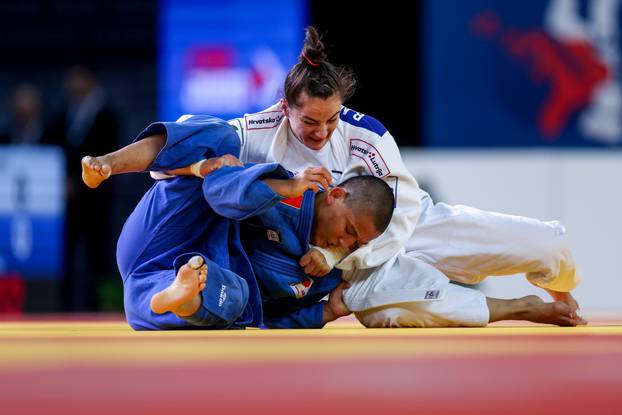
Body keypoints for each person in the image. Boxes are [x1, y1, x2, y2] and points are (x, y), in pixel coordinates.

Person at [81, 27, 586, 327]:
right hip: (348, 269)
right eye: (309, 122)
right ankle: (520, 306)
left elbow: (401, 214)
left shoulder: (367, 137)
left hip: (401, 231)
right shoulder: (258, 131)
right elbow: (200, 155)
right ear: (286, 108)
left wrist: (336, 252)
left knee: (543, 246)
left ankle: (561, 283)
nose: (322, 132)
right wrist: (195, 166)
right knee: (395, 309)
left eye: (331, 119)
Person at [115, 115, 394, 330]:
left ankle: (180, 297)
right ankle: (111, 163)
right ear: (335, 195)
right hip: (172, 229)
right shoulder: (289, 185)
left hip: (190, 274)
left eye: (357, 243)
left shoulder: (325, 275)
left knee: (238, 297)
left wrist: (326, 312)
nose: (345, 244)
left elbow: (270, 317)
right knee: (223, 136)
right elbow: (217, 192)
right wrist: (285, 188)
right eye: (348, 230)